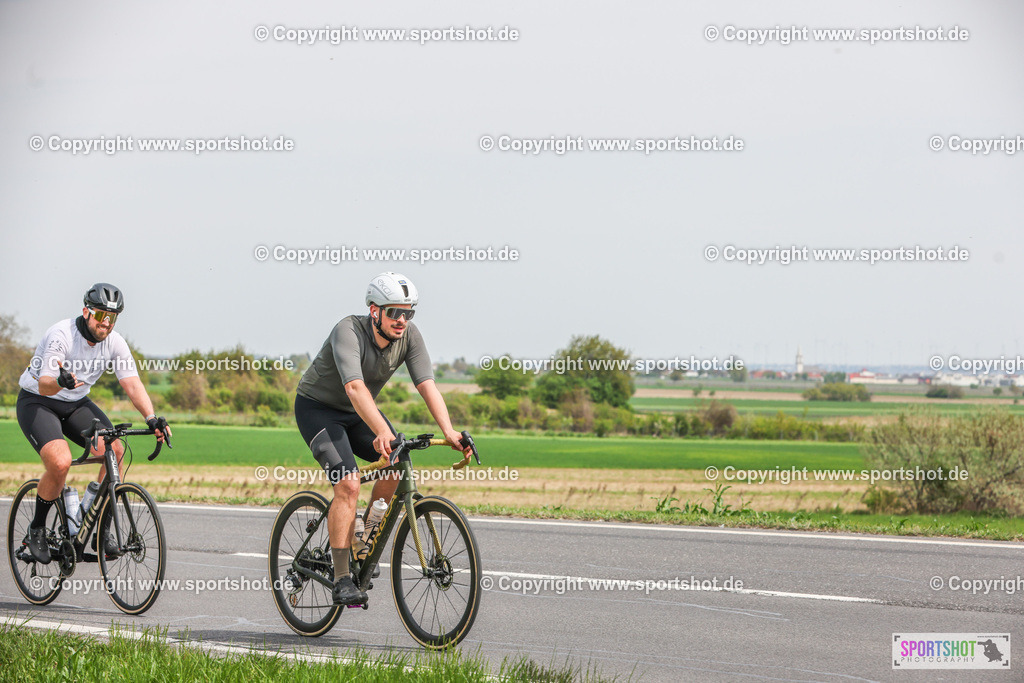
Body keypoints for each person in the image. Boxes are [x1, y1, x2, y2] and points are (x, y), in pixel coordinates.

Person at [294, 272, 471, 605]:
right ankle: (343, 577)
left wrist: (450, 432)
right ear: (374, 311)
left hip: (359, 412)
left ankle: (365, 534)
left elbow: (427, 384)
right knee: (348, 485)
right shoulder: (348, 330)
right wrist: (381, 431)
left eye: (409, 313)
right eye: (394, 312)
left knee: (395, 464)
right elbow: (354, 387)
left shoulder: (409, 337)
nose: (402, 320)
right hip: (318, 410)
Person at [16, 283, 170, 563]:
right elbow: (46, 383)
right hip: (38, 400)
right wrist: (59, 380)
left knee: (116, 450)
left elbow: (132, 384)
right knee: (60, 463)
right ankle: (37, 528)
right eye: (101, 316)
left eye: (112, 318)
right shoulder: (61, 335)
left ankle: (99, 529)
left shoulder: (115, 342)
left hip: (75, 403)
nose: (106, 324)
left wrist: (151, 417)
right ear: (86, 312)